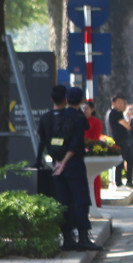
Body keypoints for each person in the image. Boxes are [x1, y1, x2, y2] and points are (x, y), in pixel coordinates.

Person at [38, 85, 99, 251]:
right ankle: (83, 237)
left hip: (57, 163)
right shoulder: (77, 118)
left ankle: (68, 237)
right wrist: (64, 162)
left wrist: (56, 161)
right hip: (73, 163)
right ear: (81, 100)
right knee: (80, 200)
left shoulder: (55, 117)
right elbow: (75, 143)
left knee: (63, 201)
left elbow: (49, 141)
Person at [108, 95, 133, 188]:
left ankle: (126, 181)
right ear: (114, 103)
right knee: (121, 161)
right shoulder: (116, 113)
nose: (122, 105)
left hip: (122, 140)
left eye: (123, 103)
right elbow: (127, 126)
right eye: (119, 102)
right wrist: (129, 117)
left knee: (127, 160)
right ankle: (119, 182)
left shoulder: (116, 113)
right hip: (119, 141)